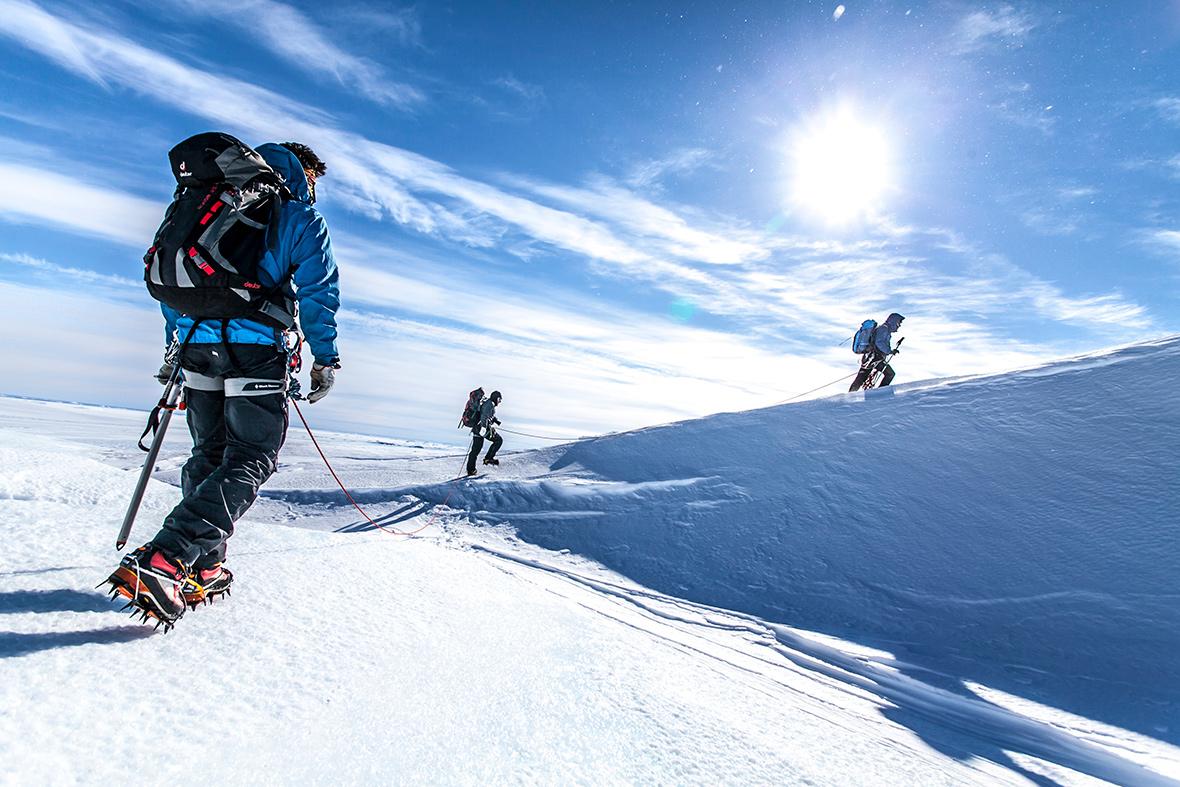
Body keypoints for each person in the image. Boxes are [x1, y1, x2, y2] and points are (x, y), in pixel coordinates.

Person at [107, 141, 341, 628]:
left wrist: (174, 346)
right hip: (256, 349)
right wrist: (325, 358)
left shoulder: (203, 204)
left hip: (196, 345)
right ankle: (167, 558)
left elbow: (175, 285)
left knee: (209, 453)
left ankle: (205, 567)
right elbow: (319, 291)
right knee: (251, 456)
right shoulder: (297, 216)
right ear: (303, 174)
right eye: (312, 181)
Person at [849, 312, 904, 392]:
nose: (899, 325)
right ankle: (880, 392)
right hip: (875, 358)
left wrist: (890, 351)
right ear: (893, 321)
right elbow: (879, 342)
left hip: (870, 358)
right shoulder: (884, 329)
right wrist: (889, 351)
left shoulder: (884, 329)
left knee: (861, 377)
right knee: (890, 374)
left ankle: (850, 394)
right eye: (899, 323)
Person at [466, 390, 504, 476]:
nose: (499, 402)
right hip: (481, 428)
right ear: (496, 398)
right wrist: (485, 428)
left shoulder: (488, 403)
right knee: (498, 440)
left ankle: (471, 470)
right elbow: (484, 417)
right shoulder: (489, 404)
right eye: (499, 399)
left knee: (475, 450)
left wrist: (495, 420)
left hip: (477, 428)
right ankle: (488, 458)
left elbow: (486, 414)